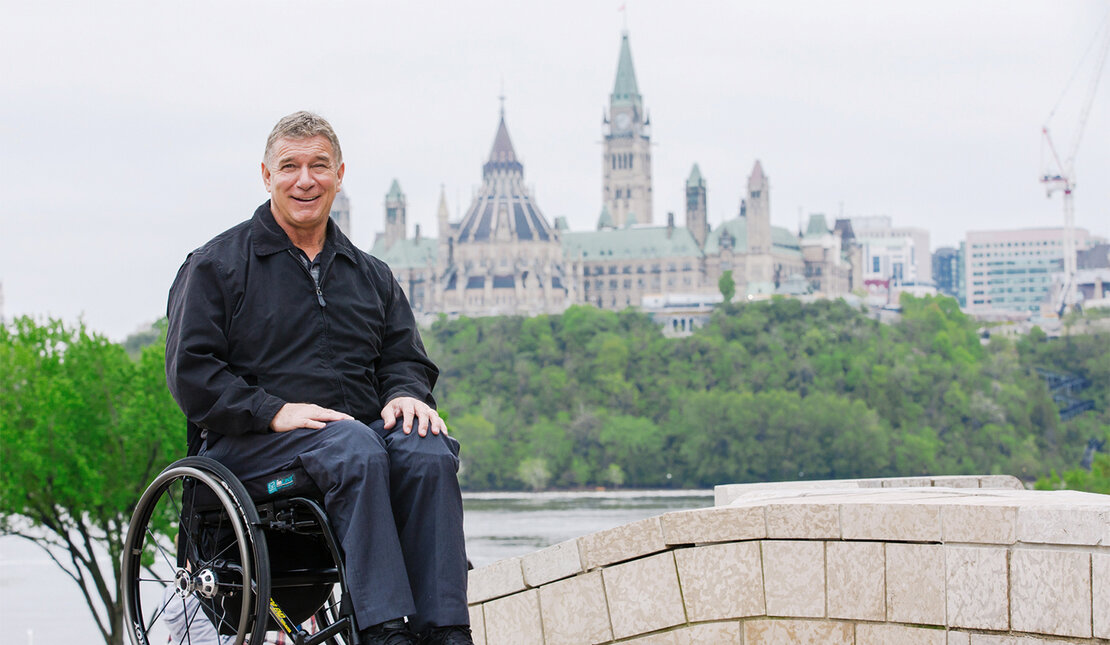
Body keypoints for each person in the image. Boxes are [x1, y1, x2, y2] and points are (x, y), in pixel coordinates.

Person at [165, 111, 473, 645]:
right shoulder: (216, 266)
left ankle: (446, 628)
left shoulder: (370, 273)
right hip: (250, 449)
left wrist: (405, 394)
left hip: (354, 444)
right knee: (351, 445)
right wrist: (273, 412)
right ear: (266, 175)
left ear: (339, 173)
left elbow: (404, 357)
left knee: (428, 448)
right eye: (290, 166)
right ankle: (385, 631)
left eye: (319, 166)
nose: (305, 180)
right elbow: (192, 374)